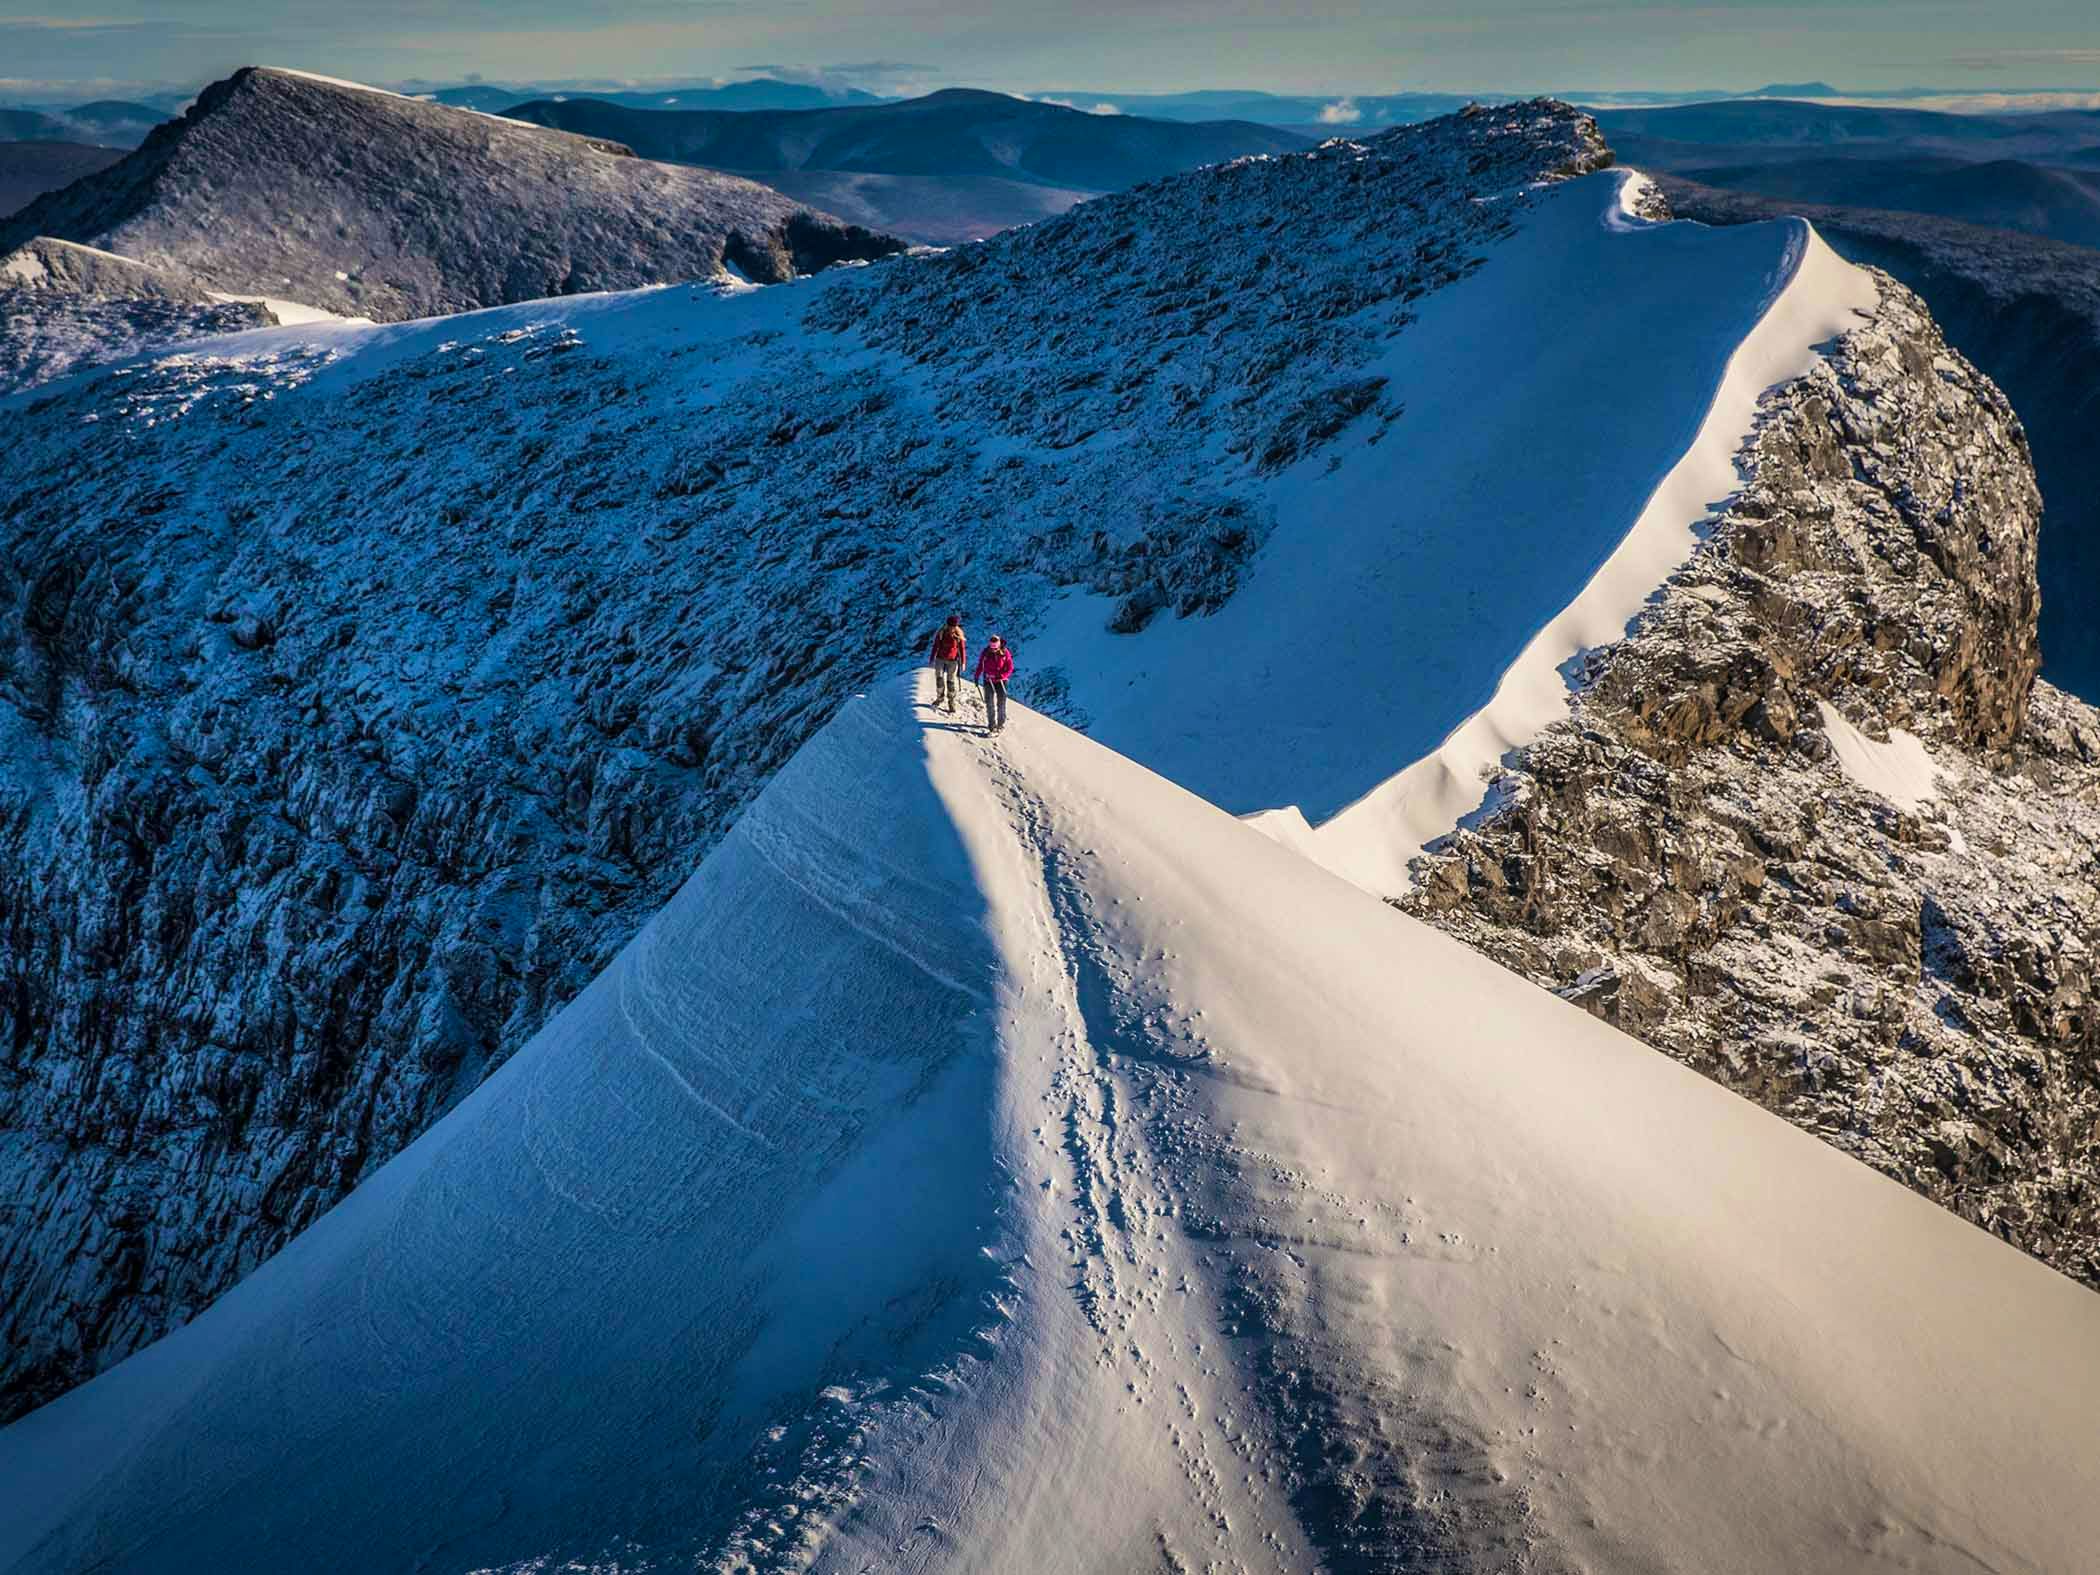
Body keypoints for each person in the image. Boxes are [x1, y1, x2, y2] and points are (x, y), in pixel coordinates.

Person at [975, 634, 1014, 735]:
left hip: (1001, 681)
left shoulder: (1005, 652)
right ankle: (992, 725)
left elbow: (1010, 668)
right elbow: (980, 665)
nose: (993, 650)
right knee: (989, 704)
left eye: (995, 648)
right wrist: (976, 676)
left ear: (999, 646)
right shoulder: (985, 652)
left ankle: (1000, 724)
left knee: (1001, 704)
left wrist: (1002, 675)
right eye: (992, 648)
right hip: (988, 680)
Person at [927, 615, 966, 713]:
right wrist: (932, 658)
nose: (951, 628)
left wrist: (963, 662)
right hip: (940, 658)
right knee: (939, 679)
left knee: (950, 682)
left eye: (953, 626)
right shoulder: (941, 633)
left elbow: (962, 649)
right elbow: (936, 645)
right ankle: (940, 698)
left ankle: (951, 702)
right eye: (950, 626)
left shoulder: (958, 634)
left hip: (953, 661)